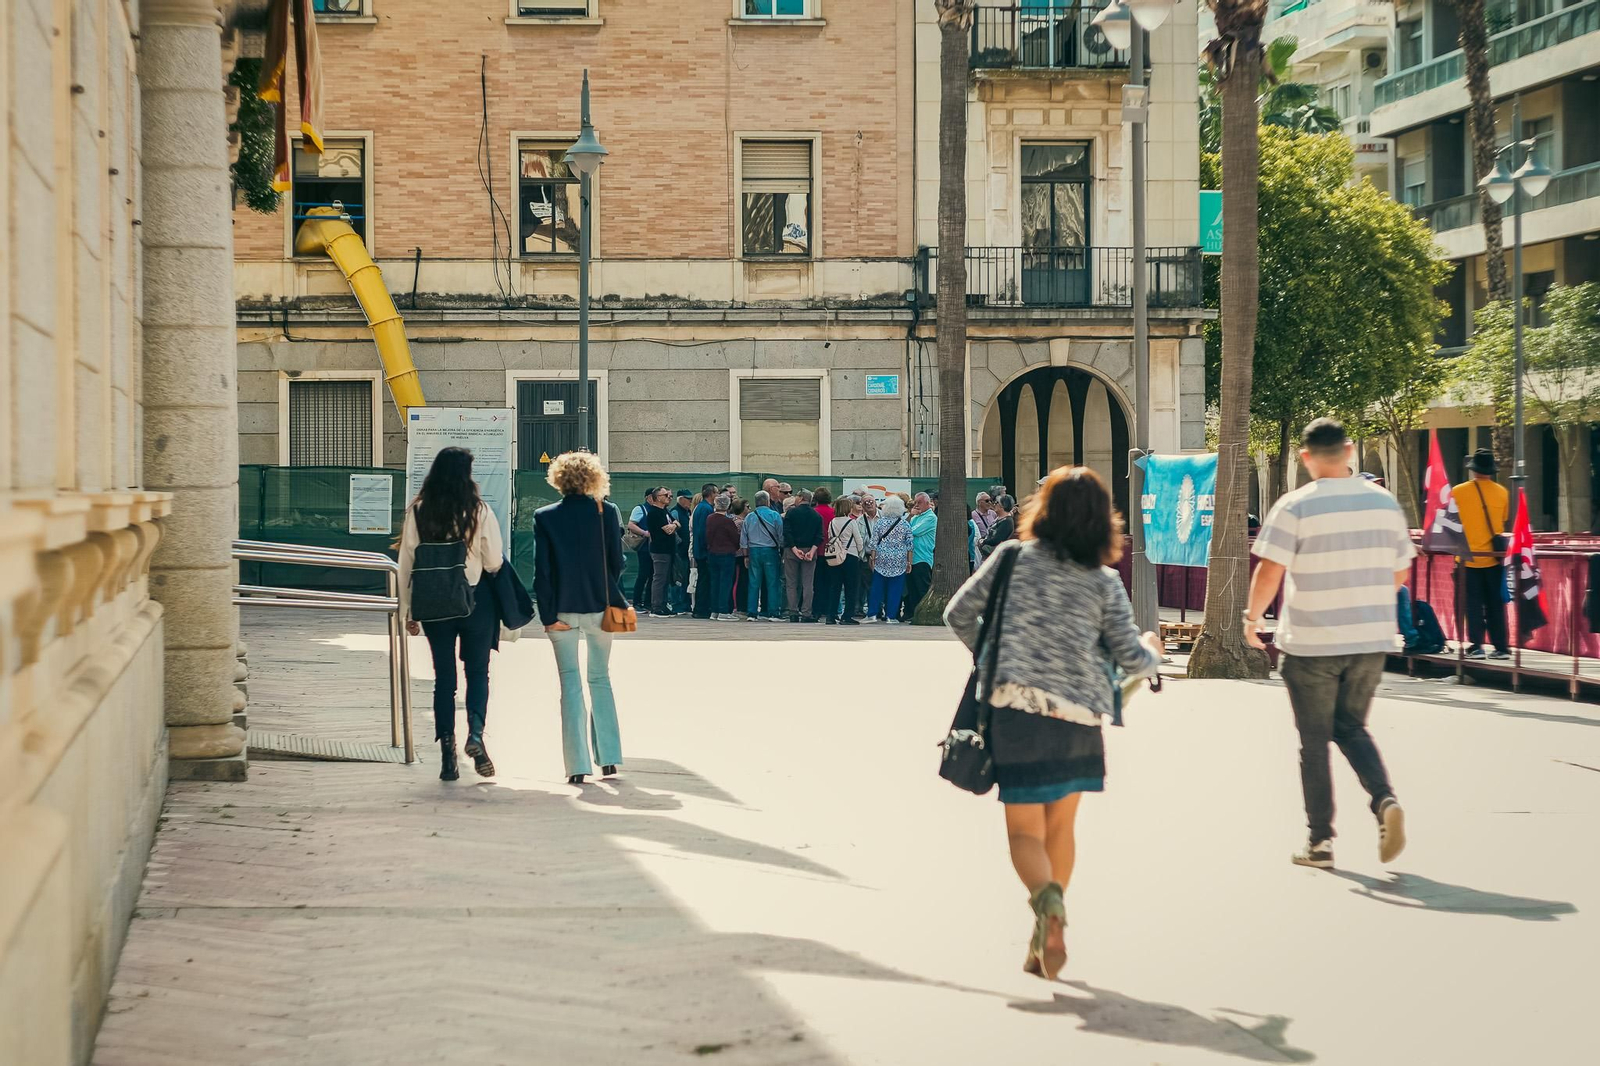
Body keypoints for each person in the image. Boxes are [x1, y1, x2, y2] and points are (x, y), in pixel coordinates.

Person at [944, 466, 1161, 980]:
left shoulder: (1010, 559)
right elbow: (1131, 659)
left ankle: (1048, 907)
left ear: (1041, 510)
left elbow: (957, 613)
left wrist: (993, 656)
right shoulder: (1105, 581)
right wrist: (1152, 652)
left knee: (1024, 832)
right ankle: (1046, 931)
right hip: (1078, 718)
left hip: (1014, 712)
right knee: (1061, 827)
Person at [1245, 418, 1414, 871]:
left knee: (1314, 741)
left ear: (1306, 457)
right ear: (1350, 451)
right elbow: (1400, 573)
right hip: (1370, 639)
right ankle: (1384, 799)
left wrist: (1253, 619)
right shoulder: (1384, 504)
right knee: (1351, 727)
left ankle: (1320, 842)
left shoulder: (1296, 505)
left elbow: (1270, 570)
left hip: (1311, 640)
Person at [398, 446, 505, 782]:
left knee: (444, 678)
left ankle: (447, 751)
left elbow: (406, 562)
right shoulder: (479, 510)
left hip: (433, 604)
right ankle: (475, 735)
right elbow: (494, 561)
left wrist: (407, 610)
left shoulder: (418, 510)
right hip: (474, 602)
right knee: (477, 671)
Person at [533, 451, 626, 785]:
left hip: (562, 610)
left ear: (558, 479)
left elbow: (542, 572)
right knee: (600, 679)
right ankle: (611, 758)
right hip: (602, 608)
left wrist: (546, 616)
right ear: (594, 477)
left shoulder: (544, 516)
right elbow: (617, 562)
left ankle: (576, 765)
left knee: (570, 683)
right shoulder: (608, 512)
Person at [1453, 448, 1511, 660]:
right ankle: (1501, 648)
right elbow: (1502, 521)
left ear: (1473, 469)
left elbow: (1451, 521)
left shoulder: (1458, 491)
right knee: (1496, 604)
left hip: (1467, 558)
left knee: (1473, 604)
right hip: (1494, 557)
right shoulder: (1503, 492)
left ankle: (1476, 646)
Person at [816, 494, 865, 625]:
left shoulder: (832, 522)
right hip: (850, 556)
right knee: (851, 587)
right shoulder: (851, 522)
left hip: (835, 557)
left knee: (835, 587)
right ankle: (847, 615)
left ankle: (831, 615)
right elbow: (859, 540)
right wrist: (861, 553)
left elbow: (831, 537)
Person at [864, 495, 913, 624]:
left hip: (881, 558)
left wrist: (873, 559)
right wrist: (909, 562)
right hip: (899, 559)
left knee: (877, 587)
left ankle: (872, 614)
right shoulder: (904, 524)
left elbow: (873, 542)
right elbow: (910, 545)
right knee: (895, 588)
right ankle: (891, 616)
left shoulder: (880, 522)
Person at [741, 490, 785, 622]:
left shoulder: (749, 517)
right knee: (772, 582)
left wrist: (745, 556)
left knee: (754, 583)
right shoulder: (774, 515)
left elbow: (743, 539)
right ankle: (773, 612)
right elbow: (781, 536)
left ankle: (752, 613)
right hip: (770, 550)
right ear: (767, 501)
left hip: (754, 551)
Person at [782, 488, 824, 622]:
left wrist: (794, 549)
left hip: (792, 551)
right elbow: (819, 536)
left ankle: (793, 612)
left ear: (800, 498)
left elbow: (787, 533)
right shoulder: (816, 515)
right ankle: (806, 613)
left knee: (791, 583)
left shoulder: (791, 513)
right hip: (810, 552)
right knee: (808, 584)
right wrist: (812, 551)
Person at [705, 494, 741, 621]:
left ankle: (714, 610)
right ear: (728, 505)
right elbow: (735, 538)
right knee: (725, 583)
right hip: (726, 554)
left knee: (715, 582)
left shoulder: (709, 518)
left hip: (712, 553)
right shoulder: (728, 521)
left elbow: (707, 536)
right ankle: (723, 611)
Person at [903, 492, 938, 619]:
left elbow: (912, 531)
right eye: (915, 502)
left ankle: (924, 614)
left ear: (928, 503)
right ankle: (913, 613)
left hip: (923, 558)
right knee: (911, 589)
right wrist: (911, 515)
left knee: (922, 588)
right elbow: (905, 529)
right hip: (911, 558)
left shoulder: (930, 517)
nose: (917, 505)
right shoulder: (915, 517)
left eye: (920, 502)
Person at [646, 487, 680, 616]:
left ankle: (664, 604)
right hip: (660, 550)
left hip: (668, 549)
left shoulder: (665, 511)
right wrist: (673, 526)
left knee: (666, 578)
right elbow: (668, 530)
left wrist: (674, 525)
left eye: (670, 496)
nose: (669, 498)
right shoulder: (654, 512)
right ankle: (656, 606)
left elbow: (677, 524)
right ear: (657, 497)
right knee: (659, 578)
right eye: (666, 495)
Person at [691, 484, 718, 619]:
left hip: (700, 549)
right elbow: (703, 531)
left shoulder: (701, 508)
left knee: (703, 579)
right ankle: (701, 608)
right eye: (716, 492)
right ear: (711, 493)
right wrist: (707, 548)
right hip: (704, 551)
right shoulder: (706, 509)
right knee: (704, 580)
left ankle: (700, 608)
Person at [627, 488, 656, 613]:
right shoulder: (640, 509)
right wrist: (645, 533)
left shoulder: (658, 509)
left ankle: (648, 602)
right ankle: (637, 602)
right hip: (644, 547)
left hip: (655, 547)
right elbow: (631, 524)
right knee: (643, 574)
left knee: (652, 575)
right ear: (649, 497)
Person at [670, 490, 695, 613]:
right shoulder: (675, 512)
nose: (690, 501)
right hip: (679, 552)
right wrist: (679, 544)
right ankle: (677, 604)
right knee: (678, 579)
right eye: (688, 499)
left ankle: (685, 603)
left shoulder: (687, 512)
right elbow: (672, 532)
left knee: (686, 578)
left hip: (686, 552)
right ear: (680, 499)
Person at [730, 497, 750, 618]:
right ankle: (738, 606)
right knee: (740, 580)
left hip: (738, 554)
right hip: (740, 555)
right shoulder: (740, 523)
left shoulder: (732, 520)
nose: (749, 509)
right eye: (747, 506)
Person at [980, 494, 1017, 558]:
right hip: (988, 555)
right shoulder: (998, 518)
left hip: (996, 556)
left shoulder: (1007, 521)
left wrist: (983, 541)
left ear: (1003, 505)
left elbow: (997, 540)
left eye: (997, 502)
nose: (994, 504)